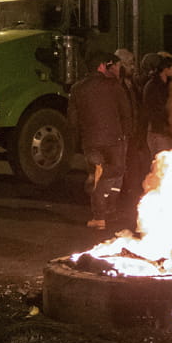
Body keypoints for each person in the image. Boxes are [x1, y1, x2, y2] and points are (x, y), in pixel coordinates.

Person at [70, 51, 135, 230]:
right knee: (115, 174)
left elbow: (73, 120)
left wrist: (78, 142)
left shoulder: (77, 88)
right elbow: (126, 113)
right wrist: (127, 135)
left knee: (98, 175)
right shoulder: (113, 86)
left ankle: (102, 214)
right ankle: (106, 212)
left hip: (90, 141)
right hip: (114, 139)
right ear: (102, 66)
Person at [142, 53, 172, 154]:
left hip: (167, 132)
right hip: (158, 132)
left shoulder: (166, 86)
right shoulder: (153, 86)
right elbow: (157, 110)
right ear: (165, 69)